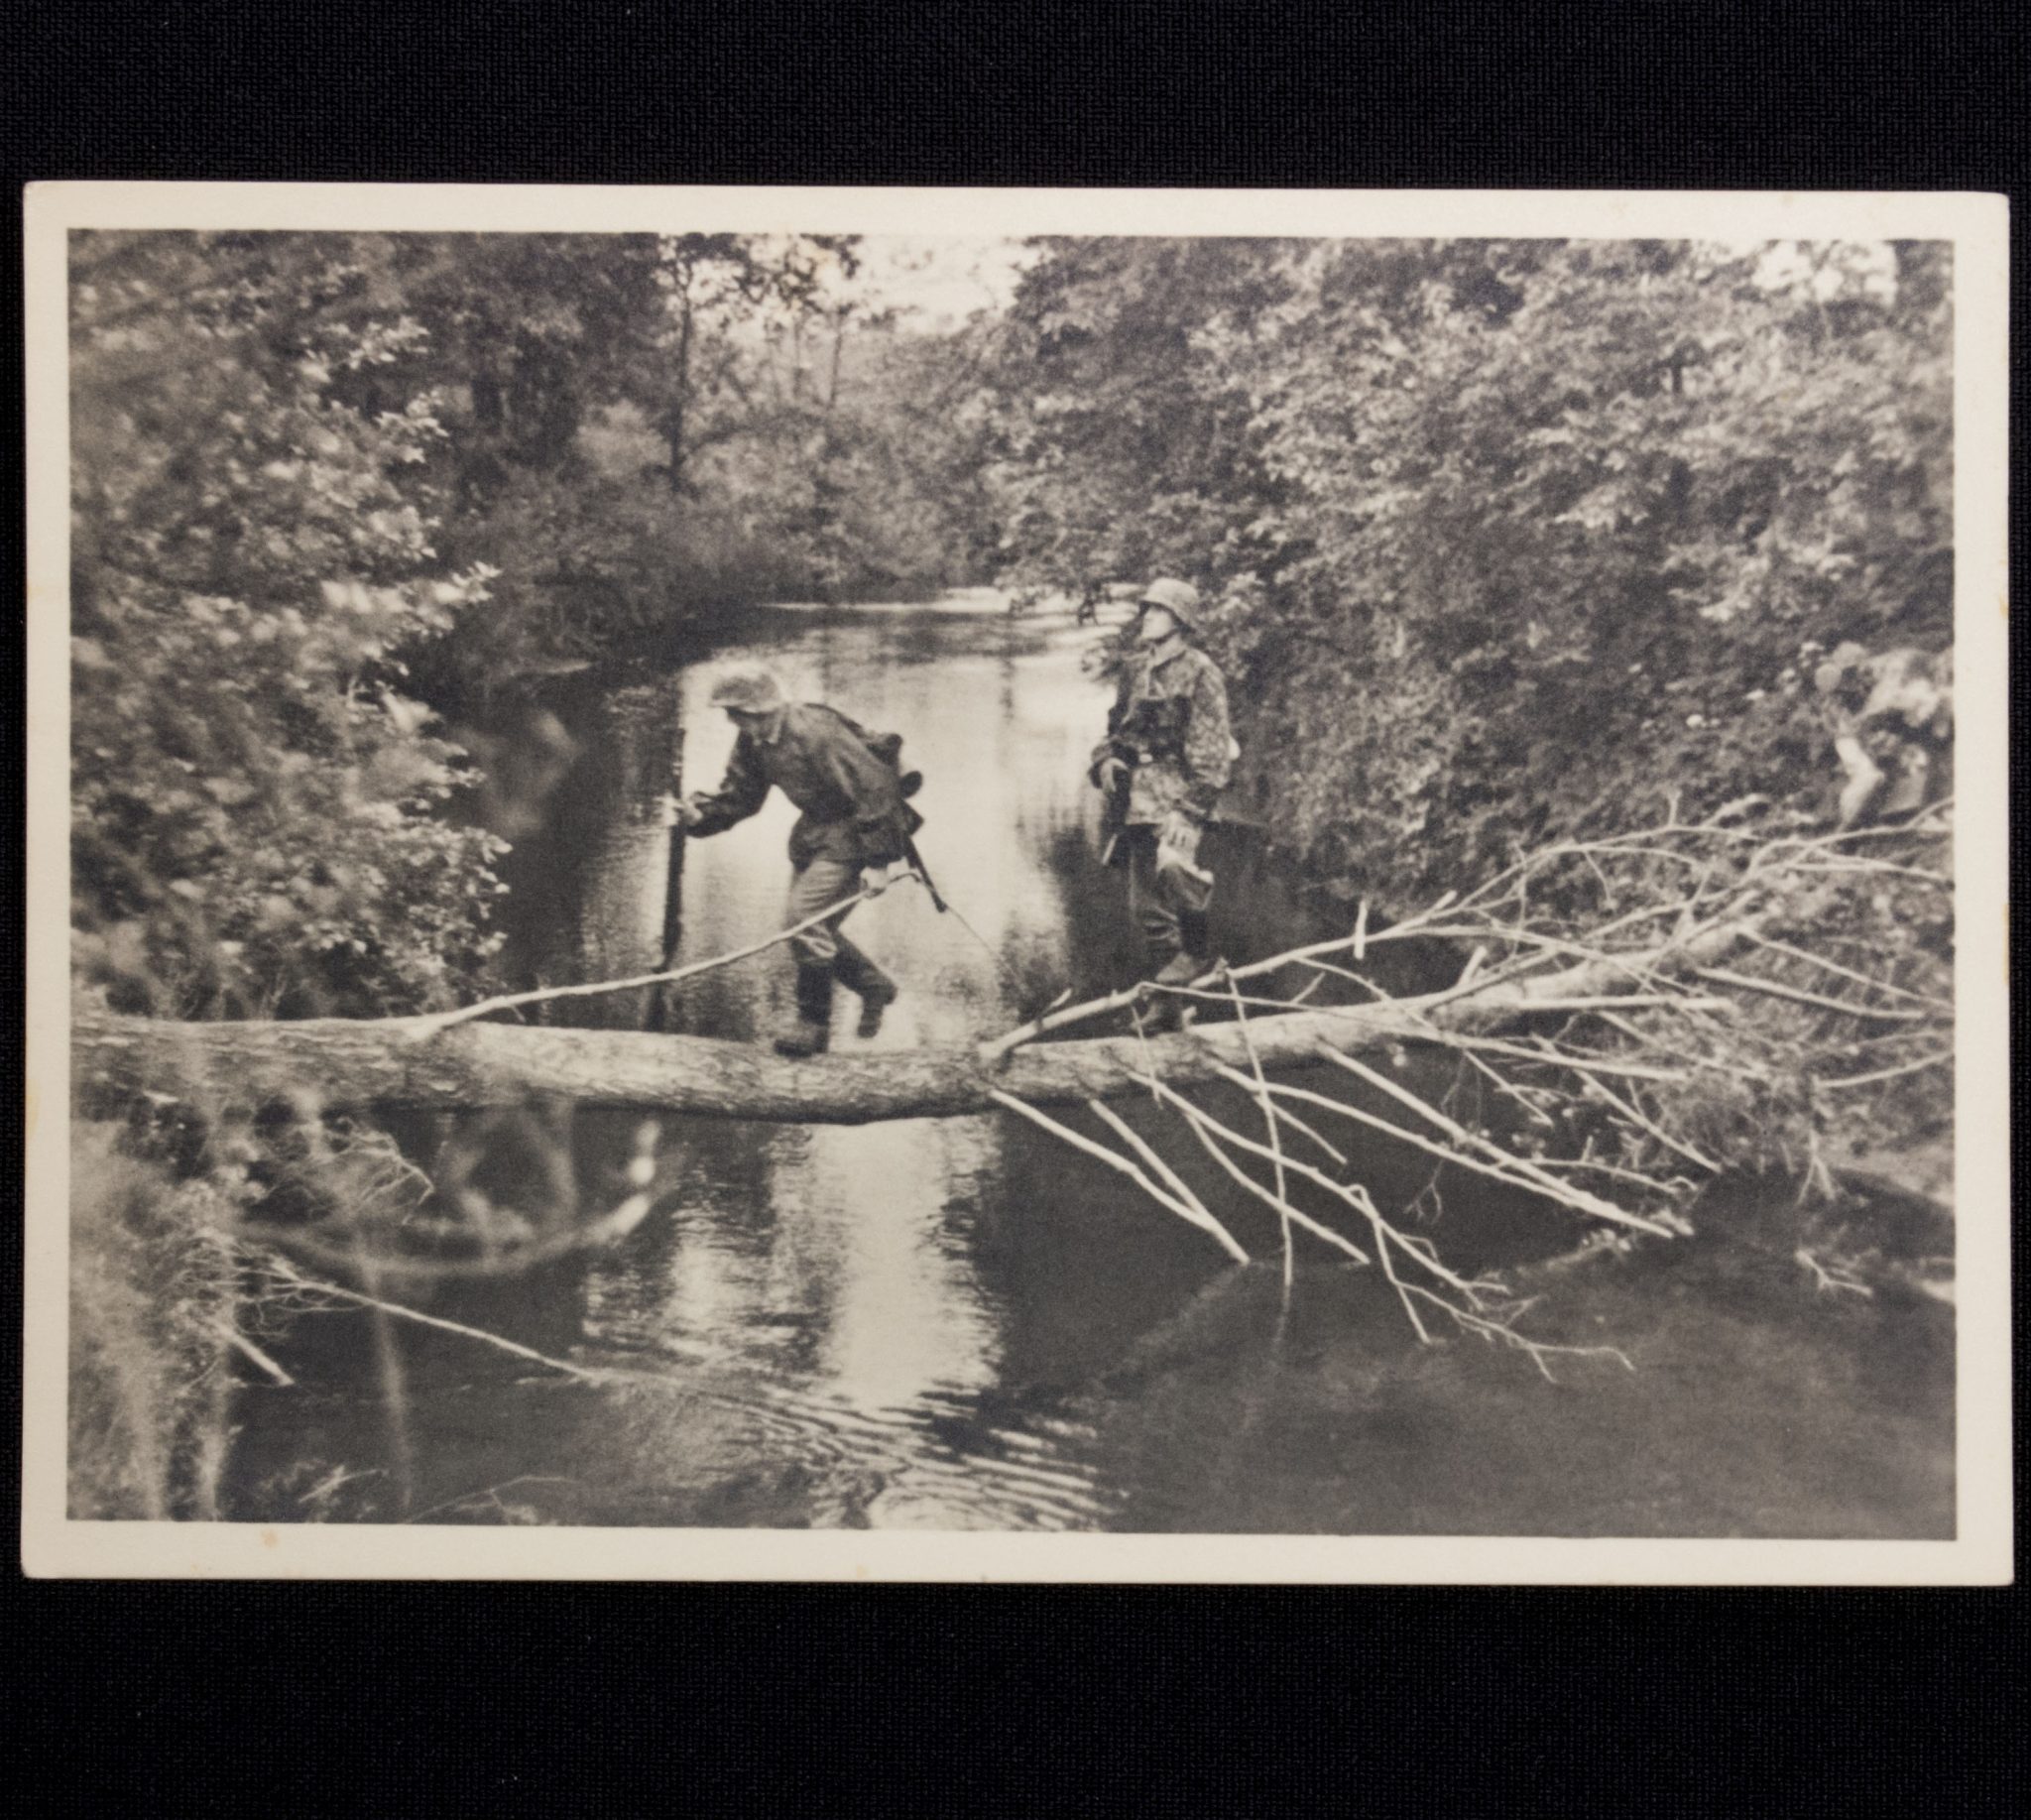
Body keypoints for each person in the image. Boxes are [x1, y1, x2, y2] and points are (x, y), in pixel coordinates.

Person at [676, 667, 917, 1056]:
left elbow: (875, 787)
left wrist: (879, 861)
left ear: (758, 710)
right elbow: (743, 795)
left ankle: (813, 1025)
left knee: (802, 920)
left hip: (854, 834)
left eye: (735, 712)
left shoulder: (816, 732)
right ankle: (873, 985)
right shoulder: (754, 740)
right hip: (814, 835)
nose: (731, 721)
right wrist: (701, 816)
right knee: (810, 927)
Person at [1088, 578, 1234, 1027]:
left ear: (1180, 620)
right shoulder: (1135, 669)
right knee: (1147, 912)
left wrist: (1190, 811)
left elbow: (1213, 750)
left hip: (1179, 796)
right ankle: (1169, 1008)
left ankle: (1200, 950)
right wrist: (1107, 759)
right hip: (1136, 800)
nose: (1146, 616)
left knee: (1175, 869)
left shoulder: (1200, 671)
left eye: (1157, 610)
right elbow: (1116, 731)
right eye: (1146, 609)